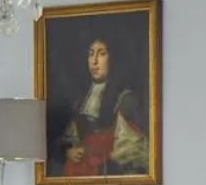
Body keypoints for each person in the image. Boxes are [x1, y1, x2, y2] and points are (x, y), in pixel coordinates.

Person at [53, 36, 147, 176]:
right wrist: (69, 151)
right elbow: (71, 137)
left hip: (112, 173)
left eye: (102, 54)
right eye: (91, 54)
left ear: (113, 59)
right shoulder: (81, 101)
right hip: (83, 172)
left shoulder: (125, 100)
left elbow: (133, 150)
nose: (94, 61)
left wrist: (101, 156)